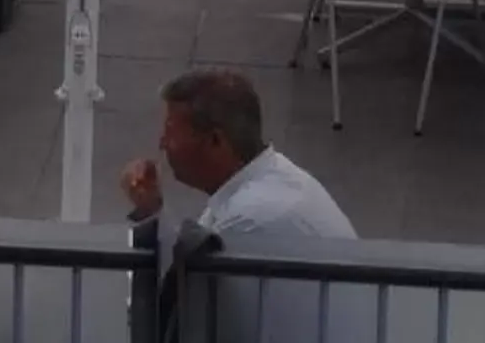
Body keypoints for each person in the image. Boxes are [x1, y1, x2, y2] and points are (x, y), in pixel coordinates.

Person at [119, 67, 353, 241]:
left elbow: (181, 294)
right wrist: (151, 209)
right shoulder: (264, 179)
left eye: (171, 131)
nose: (162, 143)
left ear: (215, 140)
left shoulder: (250, 221)